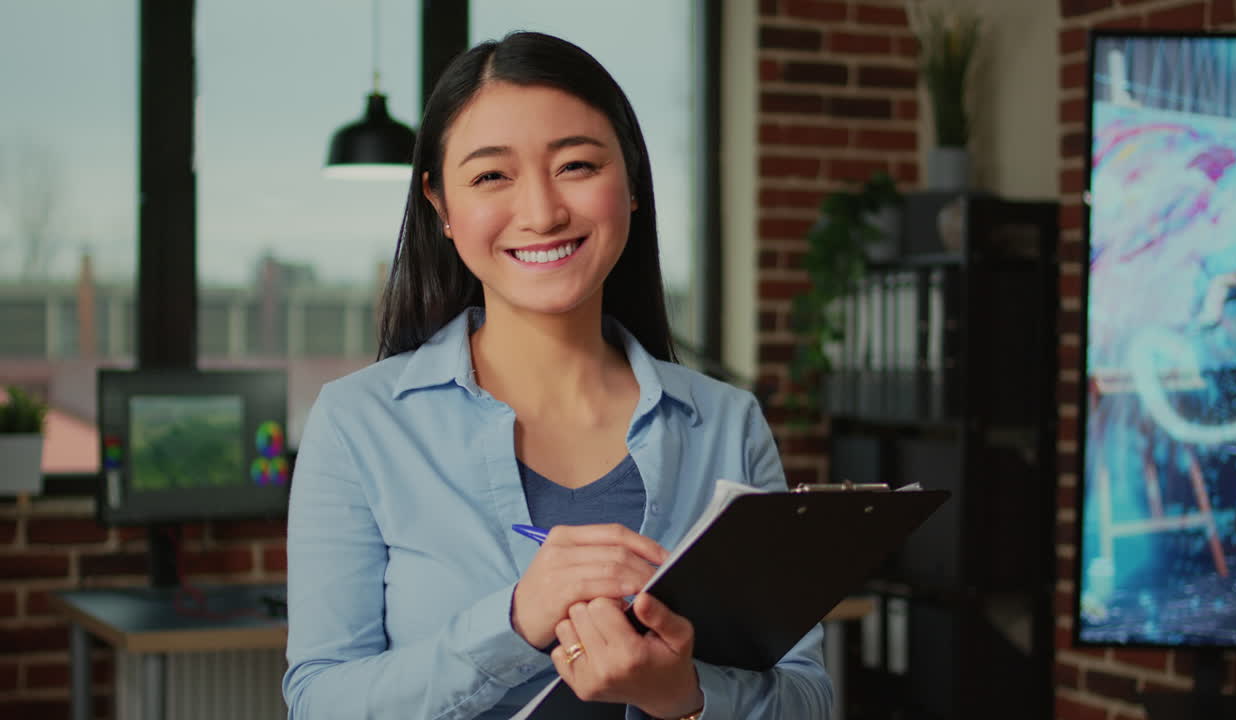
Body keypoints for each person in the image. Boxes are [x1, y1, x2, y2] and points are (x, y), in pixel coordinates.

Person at [282, 31, 832, 719]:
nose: (542, 214)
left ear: (632, 183)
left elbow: (808, 698)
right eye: (491, 176)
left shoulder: (727, 423)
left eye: (576, 165)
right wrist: (513, 622)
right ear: (441, 206)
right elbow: (319, 703)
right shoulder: (358, 423)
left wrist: (684, 697)